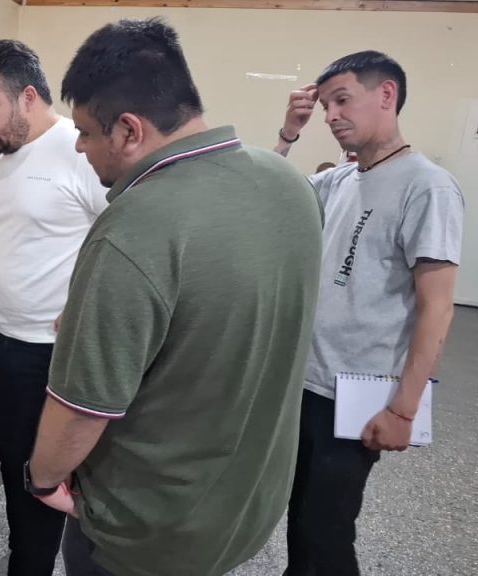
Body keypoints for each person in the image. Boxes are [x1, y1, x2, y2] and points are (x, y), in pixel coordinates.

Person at [25, 18, 324, 576]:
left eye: (86, 132)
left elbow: (81, 408)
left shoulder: (133, 226)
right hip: (246, 505)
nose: (80, 146)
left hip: (145, 531)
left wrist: (41, 479)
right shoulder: (290, 185)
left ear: (128, 130)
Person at [275, 51, 464, 576]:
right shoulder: (341, 180)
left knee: (327, 531)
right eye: (325, 106)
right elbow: (268, 195)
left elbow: (437, 306)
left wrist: (403, 410)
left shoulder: (427, 186)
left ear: (386, 95)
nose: (331, 116)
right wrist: (288, 133)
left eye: (342, 100)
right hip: (305, 384)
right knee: (301, 519)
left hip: (357, 393)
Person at [0, 39, 108, 575]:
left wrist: (91, 303)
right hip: (5, 341)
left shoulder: (79, 150)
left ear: (28, 97)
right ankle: (27, 561)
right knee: (15, 458)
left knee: (61, 472)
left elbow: (126, 239)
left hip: (59, 353)